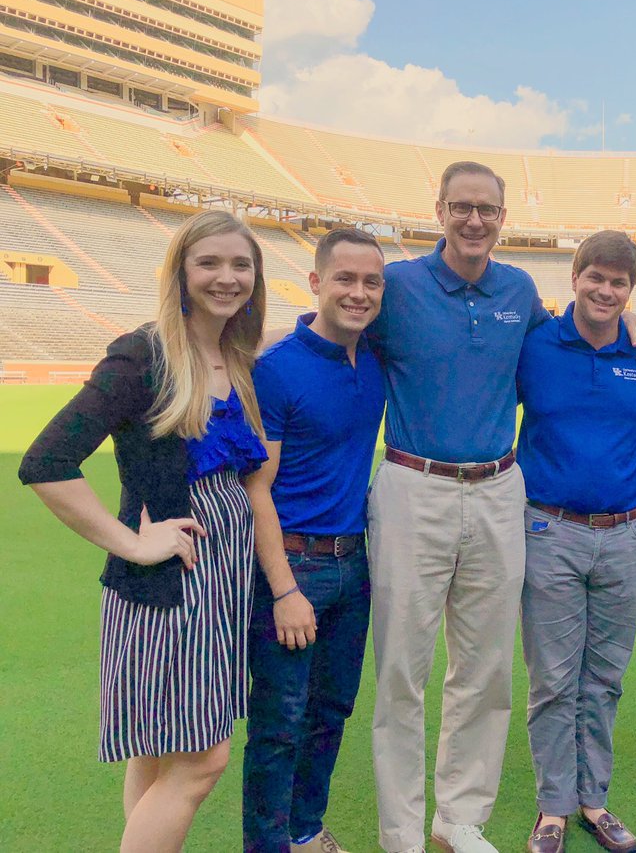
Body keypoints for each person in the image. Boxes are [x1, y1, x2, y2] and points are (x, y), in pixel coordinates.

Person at [366, 162, 636, 853]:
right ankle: (403, 830)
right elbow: (339, 325)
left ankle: (457, 819)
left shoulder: (519, 290)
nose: (474, 220)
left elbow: (572, 329)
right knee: (404, 666)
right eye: (462, 207)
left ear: (503, 217)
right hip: (415, 482)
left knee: (487, 667)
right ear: (438, 209)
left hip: (500, 489)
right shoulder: (400, 285)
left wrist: (627, 314)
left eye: (487, 210)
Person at [19, 210, 268, 851]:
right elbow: (46, 462)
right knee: (202, 760)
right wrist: (132, 542)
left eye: (241, 264)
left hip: (219, 585)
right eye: (208, 262)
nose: (227, 277)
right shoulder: (145, 354)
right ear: (181, 272)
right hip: (170, 587)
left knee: (155, 755)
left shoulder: (234, 356)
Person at [242, 228, 386, 852]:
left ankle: (304, 831)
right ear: (316, 284)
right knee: (279, 727)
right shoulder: (276, 370)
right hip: (295, 566)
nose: (358, 293)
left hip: (355, 568)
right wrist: (283, 590)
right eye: (345, 279)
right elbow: (257, 489)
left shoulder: (376, 356)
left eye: (371, 282)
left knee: (331, 714)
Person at [516, 230, 636, 853]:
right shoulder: (533, 346)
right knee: (552, 678)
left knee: (604, 678)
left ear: (631, 291)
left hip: (625, 537)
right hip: (549, 531)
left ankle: (593, 800)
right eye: (595, 277)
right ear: (575, 278)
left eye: (619, 282)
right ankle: (552, 806)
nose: (606, 290)